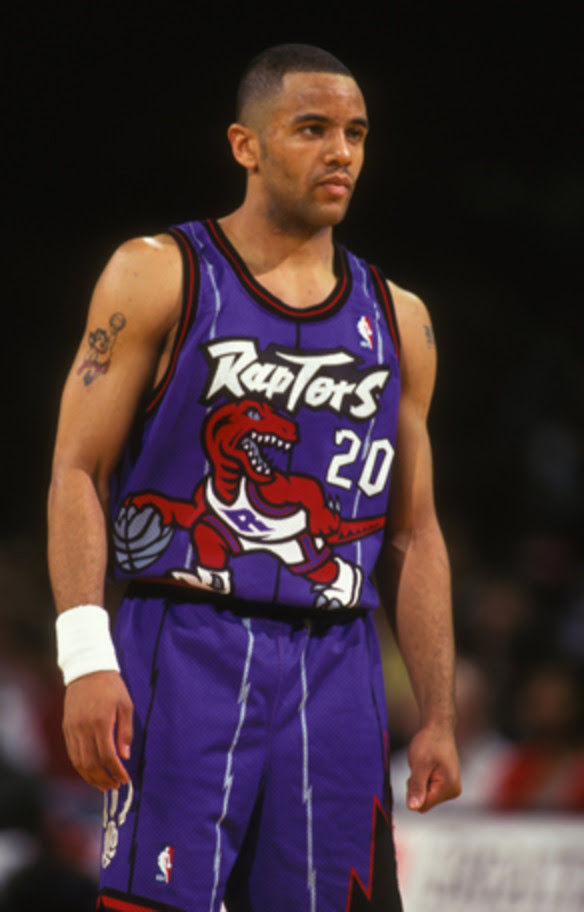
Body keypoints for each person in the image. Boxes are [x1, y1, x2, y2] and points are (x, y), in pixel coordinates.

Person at [47, 43, 460, 911]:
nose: (341, 152)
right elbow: (76, 470)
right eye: (312, 129)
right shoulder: (158, 271)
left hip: (340, 661)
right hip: (181, 637)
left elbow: (415, 532)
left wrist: (439, 714)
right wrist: (85, 657)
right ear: (246, 144)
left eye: (355, 132)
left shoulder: (401, 320)